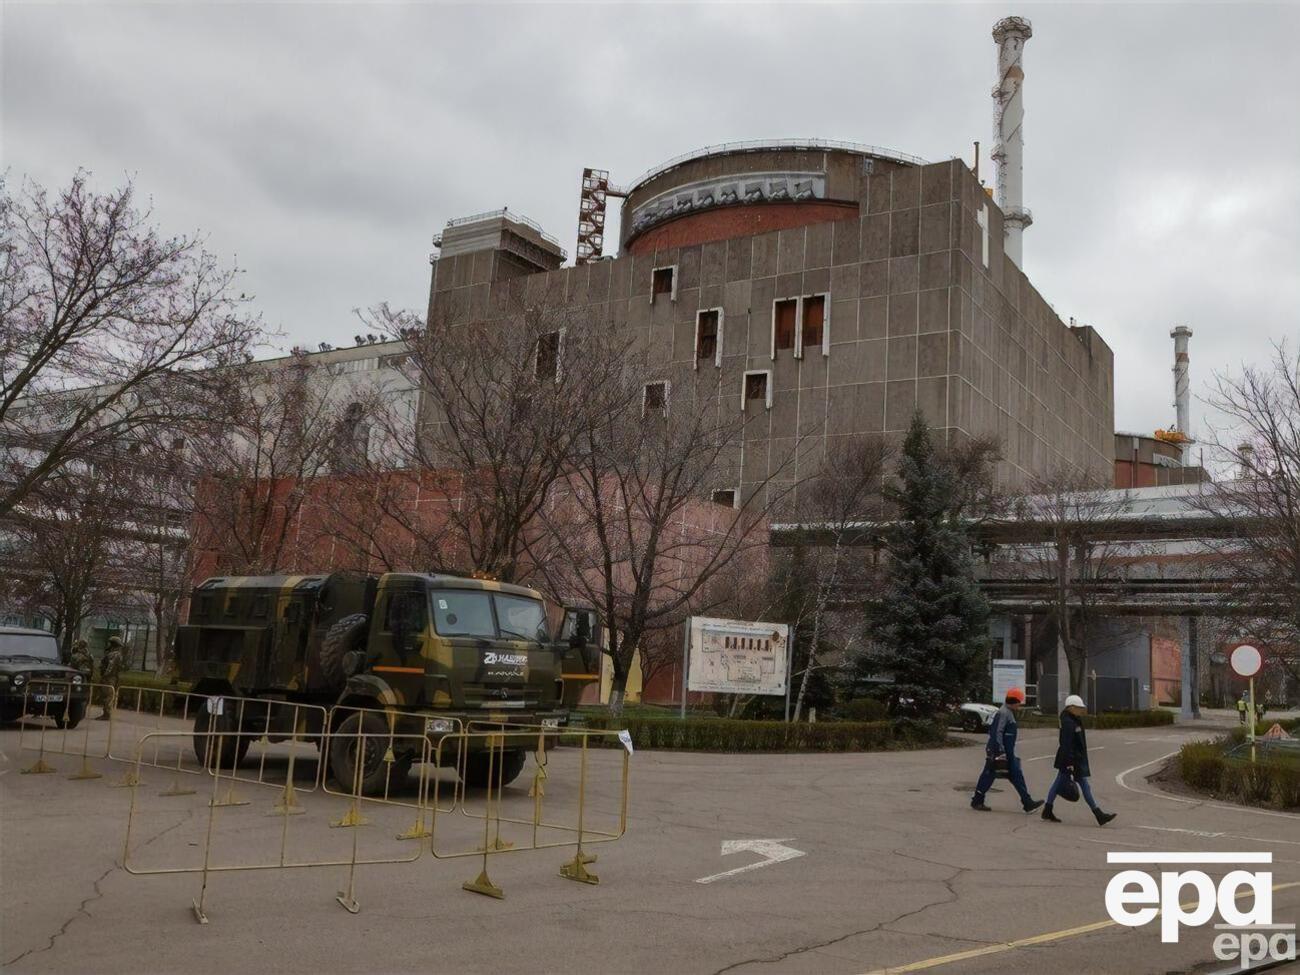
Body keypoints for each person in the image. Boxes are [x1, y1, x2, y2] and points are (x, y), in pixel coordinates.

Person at [1042, 694, 1117, 826]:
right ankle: (1098, 814)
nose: (1081, 710)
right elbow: (1067, 744)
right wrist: (1070, 763)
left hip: (1073, 758)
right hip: (1071, 759)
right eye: (1078, 708)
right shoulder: (1068, 722)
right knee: (1082, 785)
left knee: (1059, 783)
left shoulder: (1073, 719)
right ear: (1071, 707)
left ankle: (1047, 810)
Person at [971, 687, 1043, 814]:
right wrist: (1000, 751)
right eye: (1019, 702)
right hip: (999, 751)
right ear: (1013, 702)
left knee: (1015, 775)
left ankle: (1027, 802)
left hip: (1005, 751)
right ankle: (977, 800)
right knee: (990, 774)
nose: (1019, 705)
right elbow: (997, 732)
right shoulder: (1004, 713)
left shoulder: (1006, 712)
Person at [97, 636, 125, 720]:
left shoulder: (115, 655)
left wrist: (105, 675)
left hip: (110, 678)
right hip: (110, 677)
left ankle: (107, 714)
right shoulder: (111, 653)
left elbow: (110, 666)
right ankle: (105, 713)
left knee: (108, 695)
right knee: (106, 695)